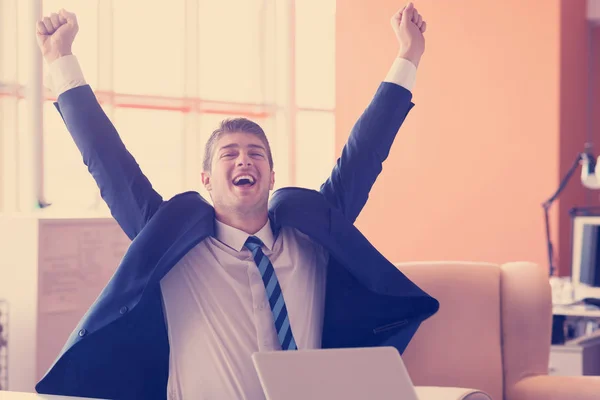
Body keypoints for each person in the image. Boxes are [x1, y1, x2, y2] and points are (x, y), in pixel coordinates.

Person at [34, 3, 439, 399]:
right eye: (229, 153)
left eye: (255, 152)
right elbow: (110, 165)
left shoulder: (313, 240)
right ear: (207, 179)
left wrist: (408, 55)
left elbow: (364, 154)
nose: (244, 158)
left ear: (272, 176)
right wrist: (60, 59)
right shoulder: (174, 249)